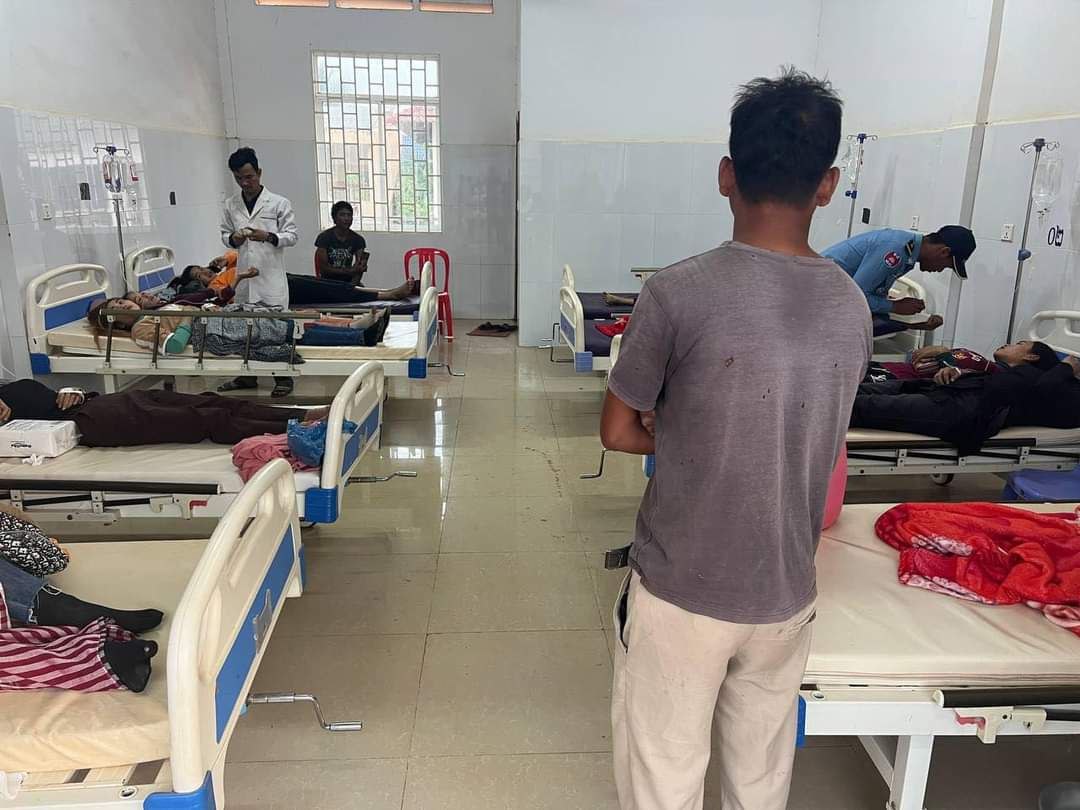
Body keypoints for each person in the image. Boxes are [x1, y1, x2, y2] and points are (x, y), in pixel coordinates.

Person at [599, 70, 871, 810]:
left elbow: (619, 429)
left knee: (664, 773)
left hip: (683, 589)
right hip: (785, 591)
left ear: (727, 175)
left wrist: (689, 429)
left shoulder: (676, 292)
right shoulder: (852, 305)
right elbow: (812, 430)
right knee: (760, 777)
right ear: (828, 185)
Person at [851, 340, 1072, 452]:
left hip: (957, 410)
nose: (1009, 343)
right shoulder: (997, 371)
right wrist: (958, 373)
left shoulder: (1039, 381)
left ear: (1032, 357)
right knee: (849, 392)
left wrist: (1068, 366)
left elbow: (1045, 392)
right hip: (941, 390)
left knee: (860, 407)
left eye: (1020, 344)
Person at [0, 378, 329, 447]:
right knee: (206, 419)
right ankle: (296, 430)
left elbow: (47, 396)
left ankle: (302, 414)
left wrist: (75, 392)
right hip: (92, 424)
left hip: (101, 402)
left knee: (212, 401)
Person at [219, 146, 298, 397]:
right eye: (239, 178)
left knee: (275, 328)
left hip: (270, 277)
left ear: (259, 173)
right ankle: (247, 376)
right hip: (244, 276)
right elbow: (224, 234)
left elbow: (292, 236)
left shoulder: (278, 203)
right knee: (246, 327)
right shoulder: (231, 205)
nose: (245, 183)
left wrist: (269, 236)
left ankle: (283, 377)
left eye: (249, 177)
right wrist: (234, 238)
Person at [822, 225, 976, 335]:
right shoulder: (896, 249)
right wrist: (894, 306)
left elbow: (868, 295)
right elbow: (856, 297)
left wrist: (913, 321)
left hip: (834, 299)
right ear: (944, 252)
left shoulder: (908, 254)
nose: (940, 270)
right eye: (946, 266)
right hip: (822, 296)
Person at [315, 201, 369, 284]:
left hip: (348, 282)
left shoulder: (358, 240)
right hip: (327, 282)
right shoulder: (324, 237)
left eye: (349, 215)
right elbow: (323, 268)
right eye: (342, 215)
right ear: (334, 218)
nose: (346, 218)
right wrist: (349, 271)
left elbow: (359, 269)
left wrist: (351, 287)